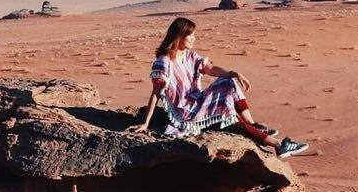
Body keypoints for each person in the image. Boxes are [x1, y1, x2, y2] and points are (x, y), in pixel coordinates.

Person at [128, 17, 310, 158]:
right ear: (179, 36)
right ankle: (279, 145)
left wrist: (233, 73)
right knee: (228, 115)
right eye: (190, 35)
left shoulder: (190, 56)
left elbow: (209, 68)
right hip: (185, 112)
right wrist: (146, 122)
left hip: (197, 100)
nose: (193, 38)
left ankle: (253, 125)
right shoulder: (164, 62)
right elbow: (156, 94)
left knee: (228, 82)